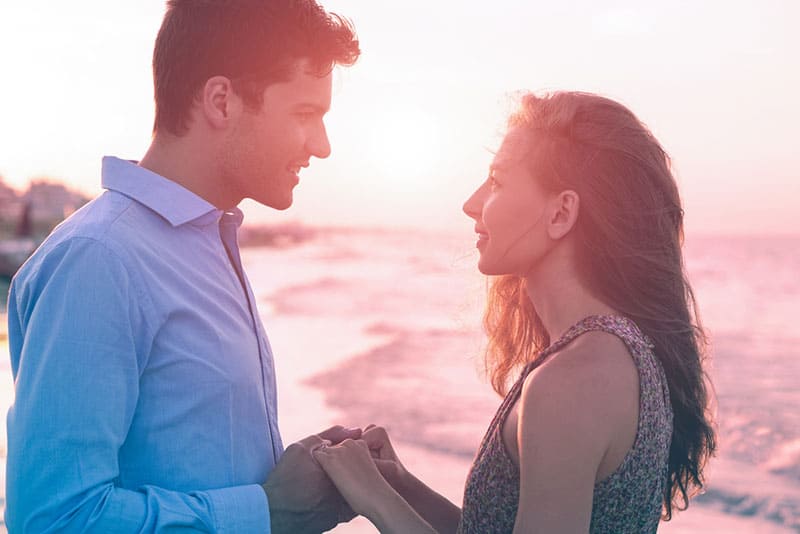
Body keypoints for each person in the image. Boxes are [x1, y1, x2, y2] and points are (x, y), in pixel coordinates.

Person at [5, 1, 361, 532]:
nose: (322, 146)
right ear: (221, 101)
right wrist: (268, 511)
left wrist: (297, 476)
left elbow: (192, 459)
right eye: (306, 115)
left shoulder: (206, 243)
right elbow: (54, 517)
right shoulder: (101, 260)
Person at [310, 91, 717, 533]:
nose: (472, 203)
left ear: (561, 213)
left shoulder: (574, 379)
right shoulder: (610, 355)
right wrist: (401, 487)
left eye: (497, 181)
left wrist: (373, 499)